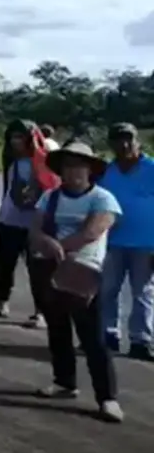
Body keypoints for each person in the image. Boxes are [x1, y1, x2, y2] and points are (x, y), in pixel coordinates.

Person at [28, 141, 124, 422]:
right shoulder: (50, 197)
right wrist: (45, 241)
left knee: (93, 336)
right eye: (69, 166)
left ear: (91, 170)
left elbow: (93, 230)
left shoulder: (103, 198)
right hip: (51, 268)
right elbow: (35, 227)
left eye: (80, 165)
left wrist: (58, 246)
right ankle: (64, 381)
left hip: (85, 271)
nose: (74, 172)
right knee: (57, 327)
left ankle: (108, 397)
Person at [0, 119, 59, 327]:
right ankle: (1, 304)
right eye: (12, 137)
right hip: (10, 220)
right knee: (4, 265)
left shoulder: (43, 161)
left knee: (37, 270)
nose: (15, 141)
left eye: (20, 137)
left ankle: (40, 312)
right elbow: (9, 191)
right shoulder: (12, 161)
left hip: (34, 223)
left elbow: (49, 190)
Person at [98, 123, 154, 360]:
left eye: (128, 139)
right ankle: (108, 335)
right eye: (118, 139)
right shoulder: (105, 172)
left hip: (146, 244)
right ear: (111, 144)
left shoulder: (151, 168)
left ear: (137, 141)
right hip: (111, 241)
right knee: (107, 290)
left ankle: (141, 340)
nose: (124, 144)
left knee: (143, 293)